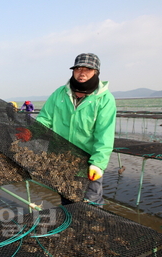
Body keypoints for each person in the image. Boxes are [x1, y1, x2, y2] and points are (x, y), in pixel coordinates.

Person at [36, 53, 116, 207]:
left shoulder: (104, 99)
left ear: (96, 72)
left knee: (90, 204)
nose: (82, 73)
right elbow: (44, 119)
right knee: (67, 200)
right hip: (61, 159)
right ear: (73, 71)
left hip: (88, 163)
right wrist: (32, 131)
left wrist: (98, 164)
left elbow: (105, 135)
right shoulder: (60, 94)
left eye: (88, 69)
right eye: (78, 69)